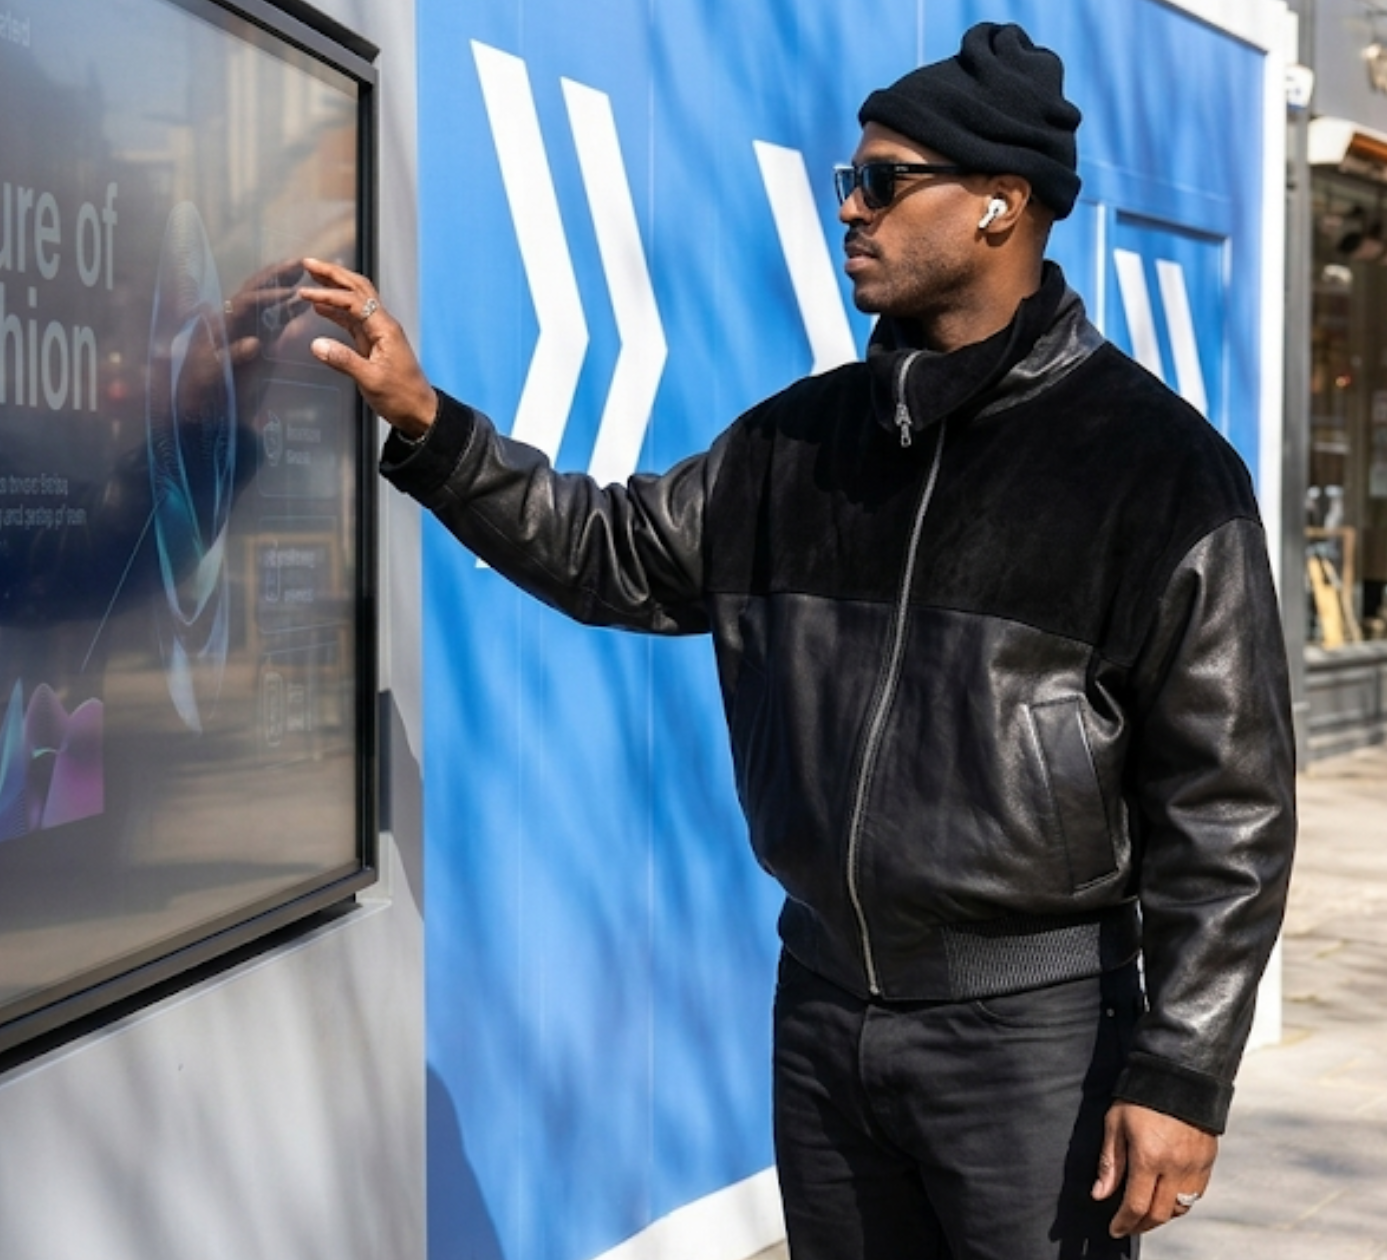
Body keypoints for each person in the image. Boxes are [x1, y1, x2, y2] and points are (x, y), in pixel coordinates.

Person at [299, 22, 1295, 1259]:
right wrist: (429, 424)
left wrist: (1183, 1072)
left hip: (1032, 1040)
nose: (851, 211)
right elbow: (610, 552)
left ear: (1000, 204)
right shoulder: (797, 444)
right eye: (847, 182)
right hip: (822, 1012)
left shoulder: (1154, 472)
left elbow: (1230, 806)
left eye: (883, 182)